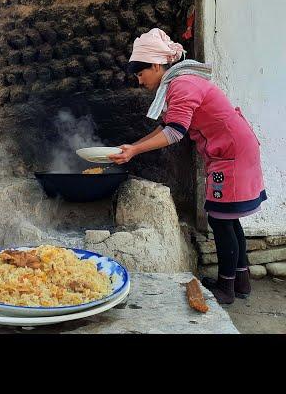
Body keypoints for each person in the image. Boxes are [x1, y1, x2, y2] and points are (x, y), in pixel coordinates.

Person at [109, 28, 267, 304]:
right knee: (229, 220)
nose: (139, 80)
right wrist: (132, 147)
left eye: (140, 73)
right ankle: (240, 283)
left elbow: (174, 132)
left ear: (156, 65)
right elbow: (166, 126)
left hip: (231, 154)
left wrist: (134, 150)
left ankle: (226, 289)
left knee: (220, 221)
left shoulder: (181, 85)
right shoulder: (179, 82)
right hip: (235, 150)